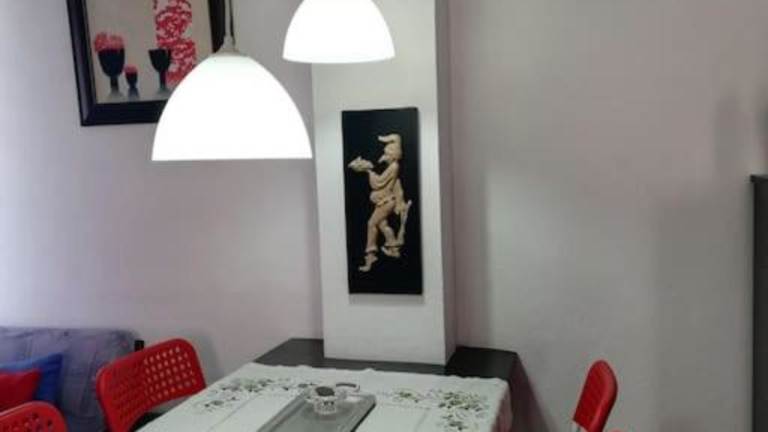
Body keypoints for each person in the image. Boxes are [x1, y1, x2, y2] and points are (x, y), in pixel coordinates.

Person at [349, 134, 413, 272]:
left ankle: (371, 255)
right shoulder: (393, 166)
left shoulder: (393, 167)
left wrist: (369, 171)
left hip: (386, 202)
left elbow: (378, 183)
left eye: (387, 154)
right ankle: (393, 248)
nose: (384, 156)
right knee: (382, 225)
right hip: (385, 201)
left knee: (371, 223)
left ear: (393, 155)